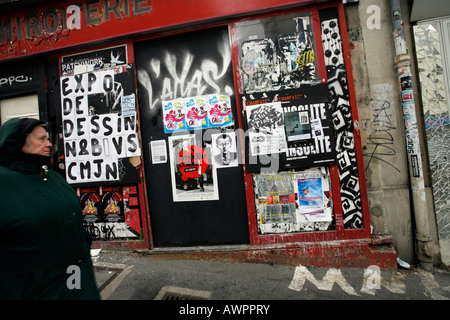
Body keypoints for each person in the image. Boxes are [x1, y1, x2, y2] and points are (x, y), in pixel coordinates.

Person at [0, 118, 100, 300]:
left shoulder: (52, 177)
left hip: (73, 275)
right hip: (38, 290)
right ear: (18, 143)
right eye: (41, 139)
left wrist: (80, 238)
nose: (49, 144)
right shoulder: (5, 184)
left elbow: (70, 212)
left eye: (47, 138)